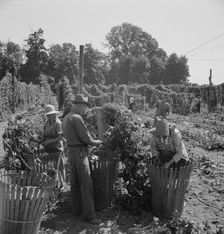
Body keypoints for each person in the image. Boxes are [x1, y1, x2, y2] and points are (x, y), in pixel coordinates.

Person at [62, 94, 102, 225]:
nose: (86, 109)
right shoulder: (77, 117)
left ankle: (76, 209)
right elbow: (86, 138)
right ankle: (89, 215)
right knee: (86, 184)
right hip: (80, 152)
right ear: (79, 105)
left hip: (71, 152)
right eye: (85, 106)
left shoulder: (66, 117)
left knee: (74, 183)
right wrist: (97, 142)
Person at [40, 104, 66, 188]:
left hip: (57, 148)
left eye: (51, 115)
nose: (49, 116)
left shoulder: (58, 123)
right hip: (48, 148)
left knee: (60, 167)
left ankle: (63, 184)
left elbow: (60, 137)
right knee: (51, 167)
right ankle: (53, 183)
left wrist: (49, 141)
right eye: (48, 115)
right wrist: (40, 140)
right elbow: (44, 135)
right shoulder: (46, 123)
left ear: (54, 114)